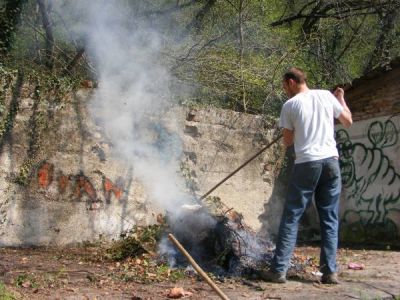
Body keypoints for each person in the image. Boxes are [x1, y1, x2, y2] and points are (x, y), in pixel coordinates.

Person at [261, 67, 353, 284]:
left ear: (291, 82)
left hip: (307, 164)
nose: (285, 90)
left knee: (292, 216)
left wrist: (292, 128)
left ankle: (278, 271)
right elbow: (348, 121)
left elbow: (288, 142)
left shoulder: (290, 105)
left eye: (285, 86)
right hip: (331, 162)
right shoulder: (327, 96)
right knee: (329, 218)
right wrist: (341, 99)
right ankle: (329, 272)